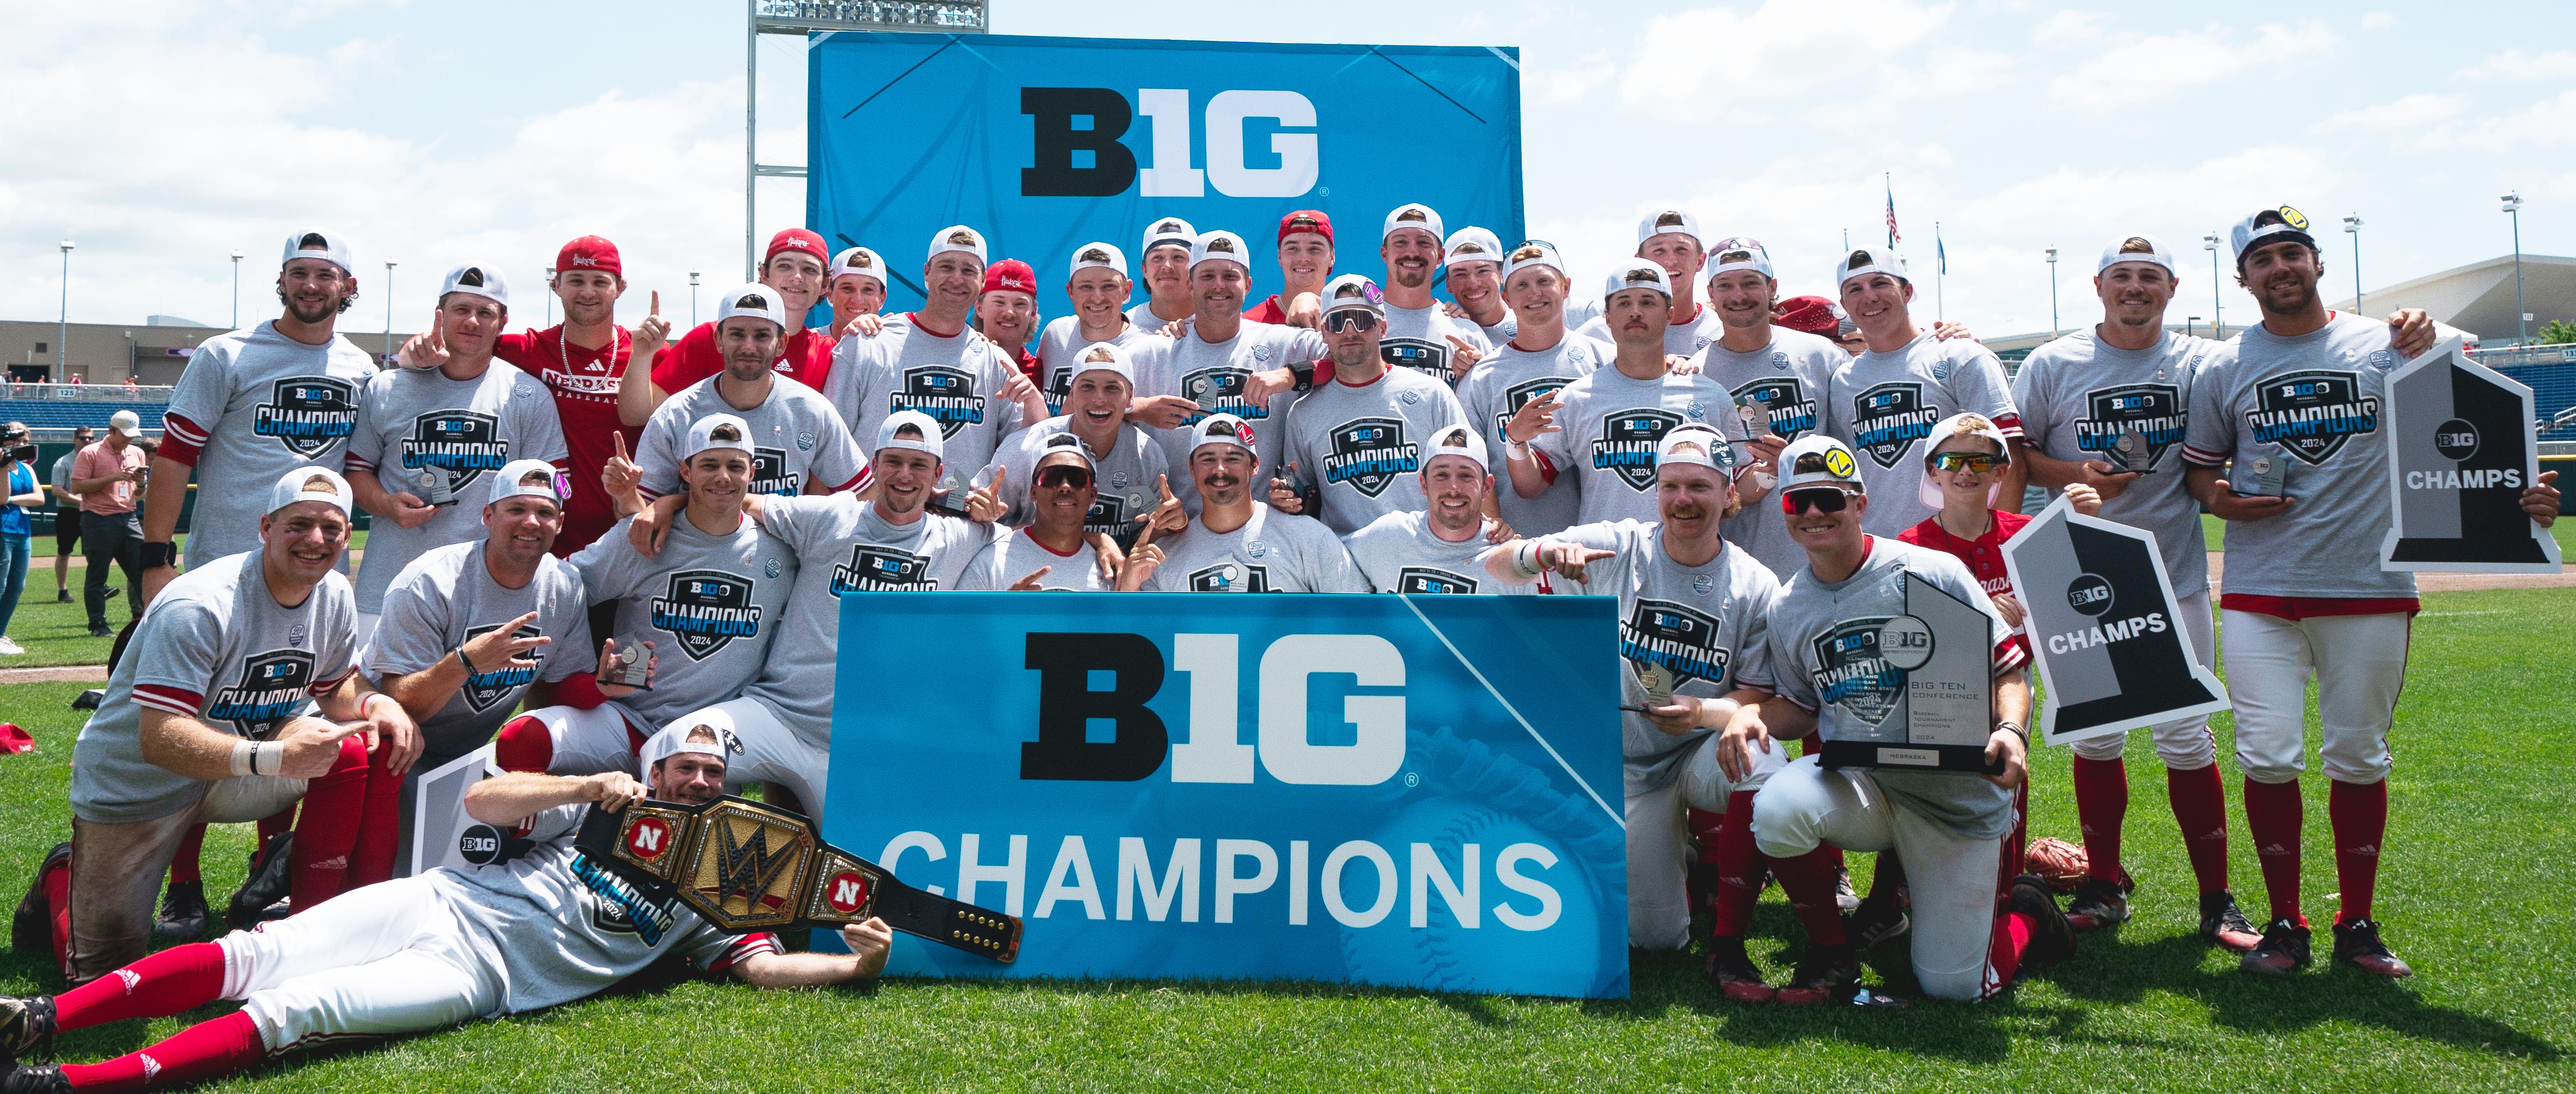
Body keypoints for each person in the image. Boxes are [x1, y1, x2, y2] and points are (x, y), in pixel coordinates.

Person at [0, 723, 893, 1093]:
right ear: (657, 769)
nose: (696, 781)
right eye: (683, 767)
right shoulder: (605, 802)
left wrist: (856, 963)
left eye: (710, 773)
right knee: (253, 954)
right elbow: (482, 805)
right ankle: (45, 1017)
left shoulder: (724, 884)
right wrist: (588, 782)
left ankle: (66, 1081)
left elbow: (768, 964)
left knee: (300, 1009)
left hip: (481, 973)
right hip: (443, 896)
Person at [2016, 233, 2438, 947]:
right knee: (2095, 740)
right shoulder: (2050, 361)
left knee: (2187, 739)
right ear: (2097, 286)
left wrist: (2414, 325)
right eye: (2122, 276)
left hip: (2172, 572)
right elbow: (2014, 453)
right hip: (2079, 574)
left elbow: (2288, 370)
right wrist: (2072, 474)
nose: (2135, 288)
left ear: (2172, 289)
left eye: (2151, 276)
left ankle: (2217, 899)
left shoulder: (2206, 360)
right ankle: (2103, 884)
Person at [2181, 204, 2562, 979]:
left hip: (2367, 583)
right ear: (2242, 278)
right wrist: (2220, 500)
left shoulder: (2390, 341)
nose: (2279, 268)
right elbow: (2200, 470)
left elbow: (2472, 431)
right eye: (2263, 260)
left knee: (2356, 755)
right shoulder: (2223, 364)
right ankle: (2285, 923)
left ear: (2317, 263)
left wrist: (2519, 501)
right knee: (2266, 754)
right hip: (2261, 587)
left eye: (2292, 253)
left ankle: (2355, 920)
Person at [18, 468, 419, 984]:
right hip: (142, 779)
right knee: (102, 975)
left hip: (242, 765)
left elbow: (336, 684)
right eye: (299, 525)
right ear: (265, 527)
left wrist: (373, 704)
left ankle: (313, 931)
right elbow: (159, 736)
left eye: (332, 529)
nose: (316, 540)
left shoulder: (335, 593)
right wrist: (272, 757)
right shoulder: (202, 602)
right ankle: (60, 877)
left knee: (358, 746)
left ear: (347, 536)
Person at [1720, 434, 2073, 1004]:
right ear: (1785, 513)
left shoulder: (1932, 571)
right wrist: (1749, 716)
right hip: (1869, 787)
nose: (1814, 513)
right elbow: (1801, 709)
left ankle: (2029, 914)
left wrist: (2010, 729)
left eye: (1829, 500)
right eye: (1798, 502)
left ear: (1860, 504)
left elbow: (2006, 670)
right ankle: (1832, 956)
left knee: (1956, 988)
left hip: (1954, 797)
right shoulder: (1789, 606)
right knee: (1781, 804)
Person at [1485, 426, 1783, 967]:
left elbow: (1760, 692)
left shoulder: (1756, 583)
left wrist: (1711, 713)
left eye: (1699, 487)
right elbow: (1497, 567)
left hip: (1697, 750)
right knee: (1655, 941)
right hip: (1622, 762)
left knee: (1765, 759)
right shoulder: (1619, 544)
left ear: (1727, 493)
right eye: (1671, 487)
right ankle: (1679, 854)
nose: (1683, 501)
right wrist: (1544, 552)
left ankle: (1731, 930)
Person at [652, 411, 984, 814]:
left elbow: (1027, 541)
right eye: (893, 461)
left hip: (861, 746)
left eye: (918, 465)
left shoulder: (963, 538)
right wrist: (667, 504)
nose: (904, 475)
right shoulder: (831, 515)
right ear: (874, 464)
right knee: (668, 752)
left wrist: (982, 506)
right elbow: (740, 498)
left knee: (869, 861)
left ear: (938, 475)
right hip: (779, 718)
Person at [494, 415, 788, 784]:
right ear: (686, 469)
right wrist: (585, 664)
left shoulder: (780, 548)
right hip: (631, 719)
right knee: (521, 739)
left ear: (753, 472)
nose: (723, 477)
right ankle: (553, 832)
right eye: (709, 465)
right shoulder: (643, 535)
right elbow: (559, 587)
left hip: (715, 735)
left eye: (735, 466)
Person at [141, 230, 378, 606]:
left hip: (316, 570)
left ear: (348, 286)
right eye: (298, 273)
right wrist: (155, 561)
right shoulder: (225, 354)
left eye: (325, 275)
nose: (310, 285)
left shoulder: (361, 367)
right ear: (282, 280)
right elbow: (174, 457)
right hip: (225, 568)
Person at [346, 265, 568, 650]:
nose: (472, 321)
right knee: (373, 702)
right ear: (440, 314)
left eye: (485, 313)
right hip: (388, 580)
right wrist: (386, 504)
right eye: (461, 309)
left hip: (484, 589)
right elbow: (356, 469)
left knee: (466, 707)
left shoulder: (526, 394)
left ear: (503, 323)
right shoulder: (388, 387)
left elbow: (554, 486)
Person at [365, 461, 605, 795]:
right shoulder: (432, 581)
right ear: (488, 517)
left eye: (545, 512)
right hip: (383, 744)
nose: (531, 522)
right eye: (516, 509)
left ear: (560, 523)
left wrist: (606, 684)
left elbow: (555, 688)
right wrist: (466, 663)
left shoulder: (564, 585)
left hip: (464, 756)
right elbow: (398, 701)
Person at [1507, 262, 1742, 528]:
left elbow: (1741, 482)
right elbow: (1531, 486)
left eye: (1648, 302)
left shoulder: (1711, 396)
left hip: (1689, 562)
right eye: (1623, 303)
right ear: (1607, 316)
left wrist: (1768, 474)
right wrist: (1516, 441)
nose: (1636, 312)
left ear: (1669, 314)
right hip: (1605, 561)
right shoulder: (1576, 397)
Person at [618, 284, 870, 524]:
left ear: (781, 344)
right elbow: (639, 514)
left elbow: (864, 495)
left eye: (762, 336)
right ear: (719, 340)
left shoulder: (812, 410)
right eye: (737, 335)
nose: (749, 347)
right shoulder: (677, 414)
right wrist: (625, 495)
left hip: (787, 564)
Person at [825, 226, 1048, 495]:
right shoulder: (867, 343)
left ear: (983, 280)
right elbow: (829, 444)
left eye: (968, 270)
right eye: (946, 267)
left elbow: (1025, 447)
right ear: (927, 273)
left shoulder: (994, 362)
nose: (957, 279)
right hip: (874, 522)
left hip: (957, 524)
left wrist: (974, 497)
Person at [1127, 231, 1329, 514]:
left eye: (1230, 276)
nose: (1219, 286)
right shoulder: (1153, 353)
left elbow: (1356, 359)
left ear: (1248, 284)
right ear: (1190, 285)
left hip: (1266, 528)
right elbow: (1080, 411)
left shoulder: (1284, 344)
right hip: (1180, 534)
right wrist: (1137, 408)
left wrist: (1292, 375)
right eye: (1207, 276)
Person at [1827, 247, 2023, 537]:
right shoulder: (1843, 381)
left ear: (1907, 292)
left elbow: (2012, 462)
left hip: (1961, 545)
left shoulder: (1962, 356)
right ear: (1845, 304)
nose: (1869, 296)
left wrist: (1997, 545)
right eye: (1855, 289)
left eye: (1881, 283)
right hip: (1879, 552)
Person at [480, 236, 644, 557]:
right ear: (556, 285)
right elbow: (457, 348)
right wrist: (413, 357)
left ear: (620, 287)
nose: (587, 292)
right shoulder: (525, 350)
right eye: (576, 280)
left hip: (628, 534)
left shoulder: (645, 356)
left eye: (600, 281)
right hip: (546, 537)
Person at [1694, 240, 1848, 579]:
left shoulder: (1821, 355)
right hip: (1743, 570)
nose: (1738, 295)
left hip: (1830, 559)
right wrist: (1774, 470)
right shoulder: (1694, 375)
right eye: (1726, 286)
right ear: (1711, 293)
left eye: (1750, 282)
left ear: (1772, 287)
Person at [1275, 274, 1472, 534]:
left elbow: (1473, 472)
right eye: (1336, 322)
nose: (1349, 331)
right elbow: (1303, 498)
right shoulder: (1303, 413)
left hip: (1424, 555)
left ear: (1383, 328)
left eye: (1362, 320)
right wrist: (1287, 499)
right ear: (1323, 332)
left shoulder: (1433, 394)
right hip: (1345, 564)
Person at [1453, 243, 1605, 539]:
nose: (1534, 293)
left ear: (1566, 287)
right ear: (1507, 297)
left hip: (1594, 543)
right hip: (1515, 545)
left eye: (1545, 282)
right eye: (1521, 285)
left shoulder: (1603, 359)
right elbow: (1470, 462)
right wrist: (1492, 529)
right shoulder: (1482, 376)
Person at [1121, 414, 1369, 593]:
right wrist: (1130, 588)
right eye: (1208, 459)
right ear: (1191, 469)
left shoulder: (1307, 537)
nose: (1220, 470)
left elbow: (1356, 616)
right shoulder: (1164, 556)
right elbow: (1139, 641)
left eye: (1233, 458)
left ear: (1255, 466)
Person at [623, 229, 837, 424]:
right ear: (765, 275)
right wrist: (642, 356)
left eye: (809, 269)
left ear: (825, 285)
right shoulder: (710, 337)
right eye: (785, 266)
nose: (797, 277)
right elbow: (637, 416)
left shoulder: (828, 352)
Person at [973, 341, 1169, 545]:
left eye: (1112, 388)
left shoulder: (1147, 458)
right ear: (1072, 395)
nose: (1099, 399)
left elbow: (1147, 533)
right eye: (1087, 387)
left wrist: (1171, 525)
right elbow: (972, 514)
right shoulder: (1026, 449)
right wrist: (977, 510)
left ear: (1130, 398)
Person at [1341, 425, 1527, 595]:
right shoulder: (1388, 535)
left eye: (1466, 475)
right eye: (1442, 475)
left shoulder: (1509, 559)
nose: (1454, 487)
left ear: (1487, 487)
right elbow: (1325, 559)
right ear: (1423, 483)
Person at [959, 434, 1116, 591]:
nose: (1065, 486)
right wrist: (1006, 610)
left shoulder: (1110, 568)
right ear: (1033, 492)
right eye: (1051, 477)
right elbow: (958, 617)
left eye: (1077, 478)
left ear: (1093, 495)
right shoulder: (991, 562)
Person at [1577, 209, 1724, 357]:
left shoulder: (1722, 331)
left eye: (1681, 249)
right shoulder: (1598, 334)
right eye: (1659, 251)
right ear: (1639, 261)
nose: (1671, 261)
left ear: (1700, 261)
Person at [1034, 243, 1156, 416]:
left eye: (1109, 286)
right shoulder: (1055, 334)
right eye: (1086, 287)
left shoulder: (1149, 349)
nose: (1097, 297)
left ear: (1127, 290)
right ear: (1070, 292)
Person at [1374, 204, 1490, 383]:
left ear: (1441, 257)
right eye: (1401, 242)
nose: (1412, 252)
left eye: (1423, 243)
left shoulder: (1468, 334)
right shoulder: (1357, 320)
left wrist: (1478, 373)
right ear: (1384, 253)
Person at [70, 411, 150, 637]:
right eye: (125, 435)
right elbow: (77, 487)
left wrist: (142, 482)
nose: (130, 440)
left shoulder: (137, 453)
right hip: (98, 518)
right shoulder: (90, 452)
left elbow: (140, 494)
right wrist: (113, 478)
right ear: (111, 431)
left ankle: (147, 620)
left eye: (132, 436)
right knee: (98, 575)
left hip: (129, 517)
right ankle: (98, 625)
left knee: (143, 572)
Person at [1243, 209, 1332, 327]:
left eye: (1314, 249)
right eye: (1293, 249)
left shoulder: (1350, 323)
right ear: (1279, 256)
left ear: (1332, 257)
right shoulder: (1249, 326)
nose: (1304, 258)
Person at [0, 423, 39, 655]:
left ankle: (1, 633)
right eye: (14, 441)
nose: (19, 446)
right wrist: (3, 467)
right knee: (1, 585)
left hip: (22, 530)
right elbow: (1, 496)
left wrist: (13, 501)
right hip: (3, 529)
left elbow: (39, 497)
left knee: (16, 586)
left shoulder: (26, 468)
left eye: (23, 441)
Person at [1440, 226, 1515, 345]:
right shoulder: (1444, 332)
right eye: (1461, 274)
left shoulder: (1531, 325)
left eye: (1483, 271)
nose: (1473, 284)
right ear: (1448, 283)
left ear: (1502, 275)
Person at [975, 259, 1044, 382]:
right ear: (980, 308)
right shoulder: (962, 361)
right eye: (999, 302)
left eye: (1020, 304)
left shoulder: (1043, 375)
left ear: (1033, 313)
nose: (1009, 313)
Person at [47, 426, 93, 604]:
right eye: (83, 438)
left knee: (93, 552)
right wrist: (80, 500)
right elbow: (57, 490)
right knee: (64, 551)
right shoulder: (64, 462)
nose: (88, 441)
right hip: (69, 513)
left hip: (90, 512)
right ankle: (62, 590)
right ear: (75, 439)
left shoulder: (94, 460)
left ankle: (97, 586)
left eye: (91, 438)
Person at [1126, 217, 1199, 330]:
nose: (1167, 267)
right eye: (1158, 258)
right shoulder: (1127, 326)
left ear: (1195, 267)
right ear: (1144, 269)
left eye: (1178, 257)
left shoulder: (1219, 323)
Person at [824, 246, 888, 339]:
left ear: (882, 298)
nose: (857, 300)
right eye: (847, 288)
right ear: (830, 294)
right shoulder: (808, 344)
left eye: (868, 290)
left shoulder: (895, 348)